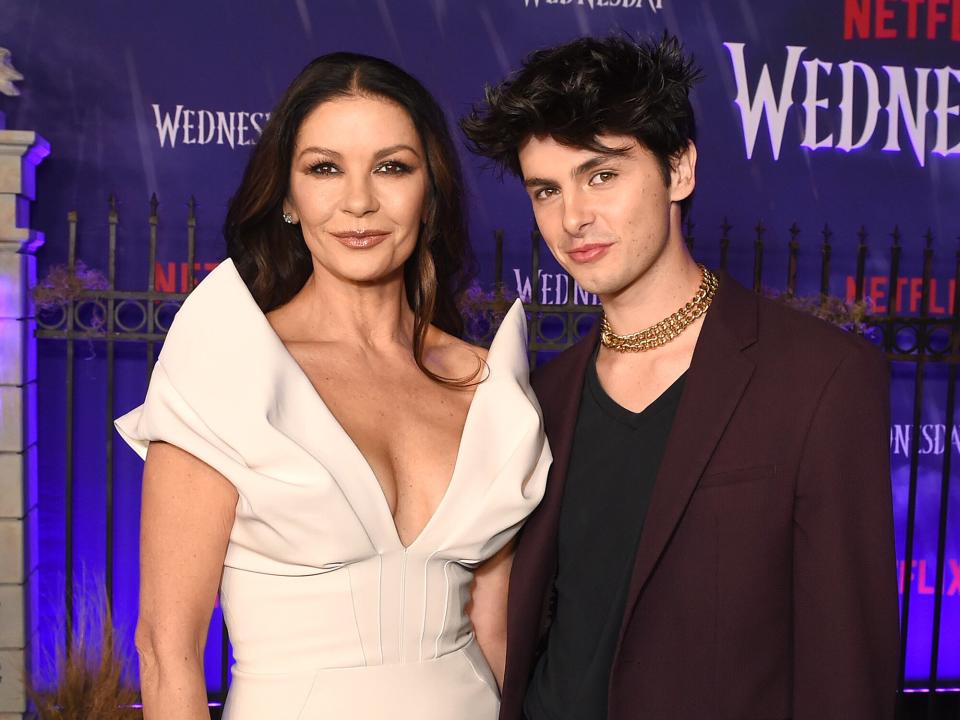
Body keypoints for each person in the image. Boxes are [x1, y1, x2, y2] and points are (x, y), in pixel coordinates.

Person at [461, 34, 898, 720]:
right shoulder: (541, 398)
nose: (573, 217)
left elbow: (847, 671)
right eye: (548, 189)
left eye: (602, 174)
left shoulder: (820, 378)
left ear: (680, 169)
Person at [116, 53, 550, 720]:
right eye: (325, 168)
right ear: (288, 197)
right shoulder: (232, 369)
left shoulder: (485, 382)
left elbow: (494, 638)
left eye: (392, 167)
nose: (358, 201)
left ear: (429, 191)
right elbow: (165, 651)